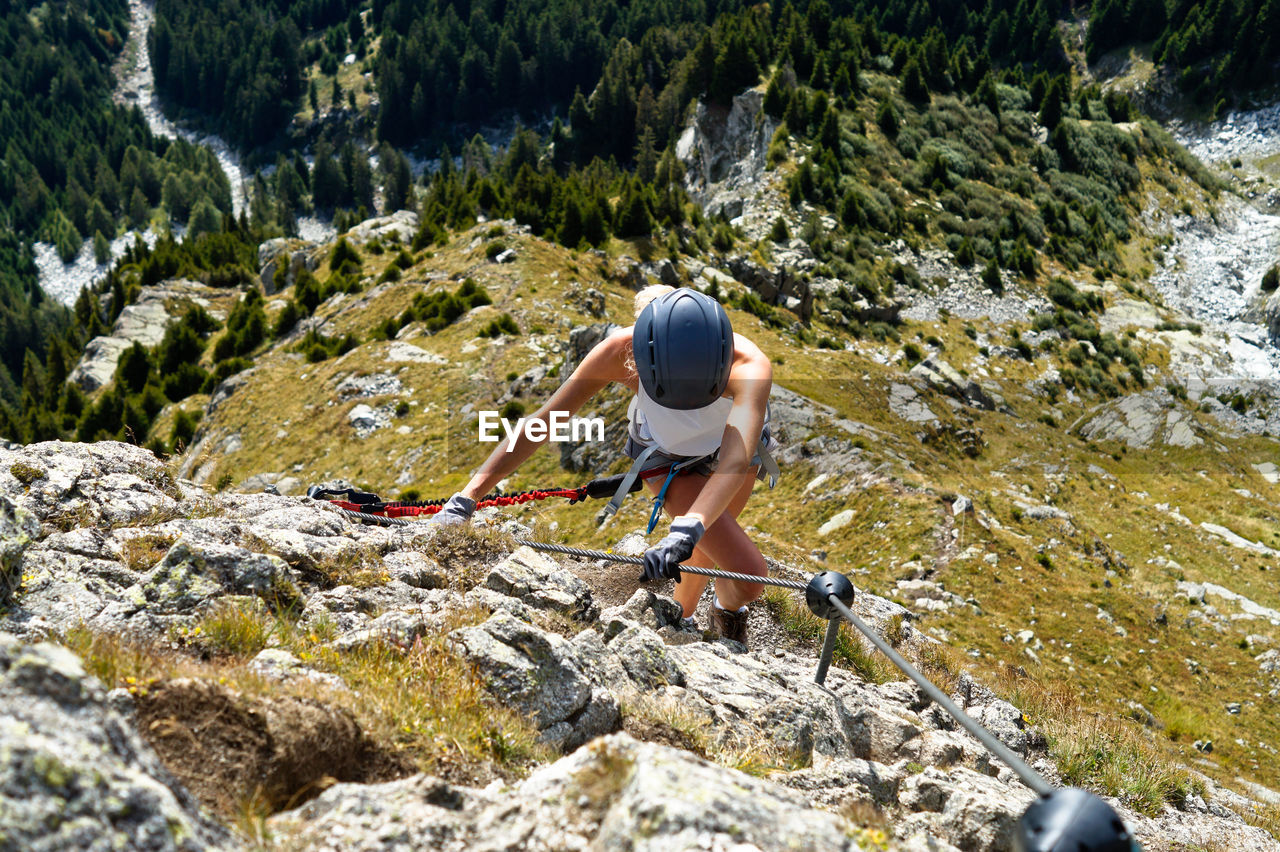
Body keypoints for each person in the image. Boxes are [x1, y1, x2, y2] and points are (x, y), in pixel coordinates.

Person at [433, 285, 779, 645]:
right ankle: (686, 621)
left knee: (707, 543)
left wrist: (690, 525)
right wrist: (467, 497)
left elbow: (735, 458)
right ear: (646, 355)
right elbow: (544, 421)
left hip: (734, 456)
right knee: (749, 573)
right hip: (668, 461)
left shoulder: (749, 365)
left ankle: (718, 609)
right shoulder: (621, 352)